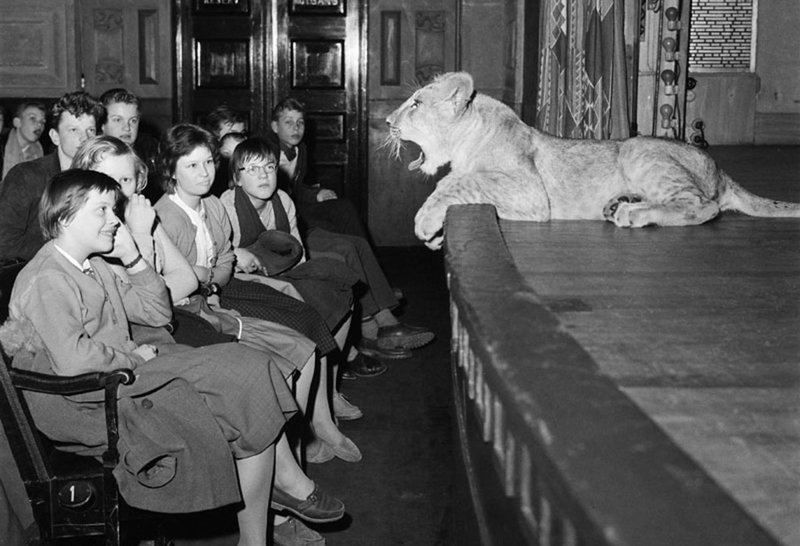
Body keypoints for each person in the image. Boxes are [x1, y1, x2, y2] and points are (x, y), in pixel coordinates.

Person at [0, 168, 299, 545]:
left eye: (114, 209)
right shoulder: (48, 277)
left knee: (250, 369)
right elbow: (74, 362)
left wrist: (132, 257)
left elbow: (158, 313)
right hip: (87, 400)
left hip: (115, 377)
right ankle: (280, 499)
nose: (115, 220)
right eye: (103, 211)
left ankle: (265, 521)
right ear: (65, 217)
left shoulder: (93, 264)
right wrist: (134, 358)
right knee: (244, 372)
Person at [71, 135, 344, 542]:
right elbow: (150, 307)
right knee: (253, 377)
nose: (121, 192)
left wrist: (155, 254)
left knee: (278, 356)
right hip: (144, 344)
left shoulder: (134, 218)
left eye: (127, 181)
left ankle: (280, 496)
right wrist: (142, 246)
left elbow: (180, 281)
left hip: (173, 317)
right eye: (110, 181)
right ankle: (279, 501)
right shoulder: (92, 231)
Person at [152, 123, 367, 450]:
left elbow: (223, 259)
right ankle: (298, 441)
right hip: (198, 307)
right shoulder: (166, 216)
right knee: (298, 325)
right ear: (171, 171)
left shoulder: (209, 205)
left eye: (209, 162)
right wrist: (209, 279)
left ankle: (318, 419)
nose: (204, 172)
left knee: (309, 312)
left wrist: (208, 277)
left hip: (217, 289)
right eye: (192, 165)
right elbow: (173, 286)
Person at [269, 99, 435, 357]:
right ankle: (379, 320)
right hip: (285, 215)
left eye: (300, 122)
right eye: (288, 122)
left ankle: (378, 292)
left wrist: (315, 192)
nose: (296, 128)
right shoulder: (267, 152)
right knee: (344, 241)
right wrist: (311, 197)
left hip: (295, 205)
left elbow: (295, 187)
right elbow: (276, 193)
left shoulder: (299, 149)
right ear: (274, 126)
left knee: (344, 210)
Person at [0, 91, 103, 262]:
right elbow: (4, 243)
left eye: (90, 130)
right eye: (73, 130)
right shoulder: (26, 177)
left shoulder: (101, 177)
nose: (84, 138)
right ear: (55, 137)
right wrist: (68, 249)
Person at [99, 88, 162, 202]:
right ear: (102, 124)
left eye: (133, 121)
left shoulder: (152, 152)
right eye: (118, 120)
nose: (127, 128)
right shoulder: (92, 158)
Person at [1, 101, 47, 179]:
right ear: (17, 122)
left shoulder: (41, 152)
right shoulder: (2, 147)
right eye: (32, 118)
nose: (39, 125)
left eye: (42, 121)